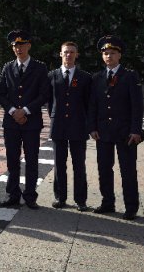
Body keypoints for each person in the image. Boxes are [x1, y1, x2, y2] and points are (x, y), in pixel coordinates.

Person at [89, 35, 143, 220]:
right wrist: (92, 127)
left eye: (112, 53)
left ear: (119, 55)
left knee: (127, 170)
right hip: (103, 132)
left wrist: (136, 130)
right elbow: (93, 105)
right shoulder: (97, 78)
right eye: (105, 53)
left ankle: (131, 206)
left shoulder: (129, 76)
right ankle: (107, 202)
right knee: (104, 168)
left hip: (125, 132)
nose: (108, 56)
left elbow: (137, 106)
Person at [0, 30, 50, 208]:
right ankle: (12, 194)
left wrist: (25, 111)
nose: (18, 48)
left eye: (22, 45)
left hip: (31, 121)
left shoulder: (40, 67)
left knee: (31, 159)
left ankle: (30, 196)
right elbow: (1, 94)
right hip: (11, 122)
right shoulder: (7, 67)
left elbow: (44, 94)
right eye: (15, 46)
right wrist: (13, 111)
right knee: (12, 159)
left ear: (29, 46)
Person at [48, 41, 92, 211]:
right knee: (59, 164)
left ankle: (81, 200)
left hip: (78, 126)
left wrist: (88, 124)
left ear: (77, 55)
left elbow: (88, 103)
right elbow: (50, 101)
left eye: (72, 52)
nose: (68, 55)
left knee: (79, 164)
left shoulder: (85, 77)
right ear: (60, 54)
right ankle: (60, 197)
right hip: (58, 125)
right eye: (65, 52)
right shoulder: (52, 75)